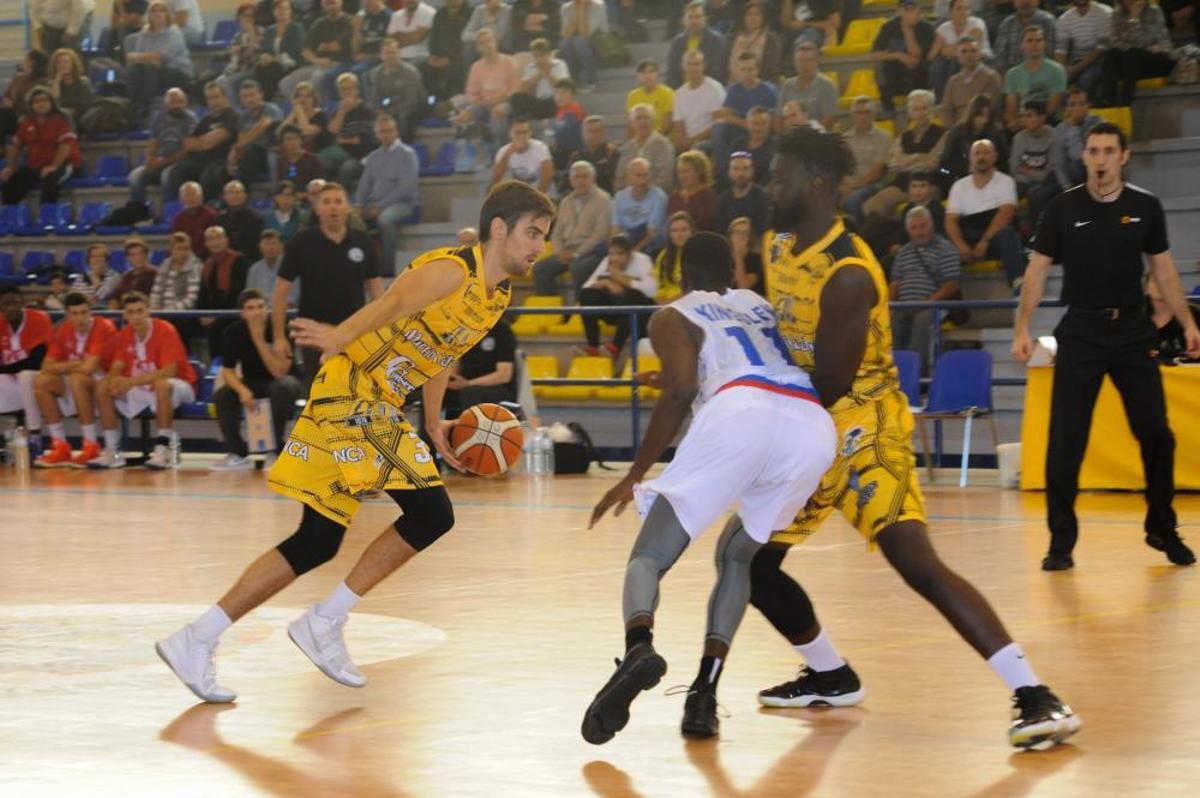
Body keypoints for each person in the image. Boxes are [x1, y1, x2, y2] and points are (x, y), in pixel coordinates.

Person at [736, 127, 1080, 751]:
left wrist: (744, 410)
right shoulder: (777, 241)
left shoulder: (849, 272)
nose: (770, 186)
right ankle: (830, 674)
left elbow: (831, 383)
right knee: (748, 561)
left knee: (916, 563)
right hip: (807, 422)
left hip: (863, 425)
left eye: (780, 177)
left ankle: (1036, 694)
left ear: (817, 183)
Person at [155, 181, 555, 703]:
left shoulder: (496, 296)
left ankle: (196, 638)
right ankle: (325, 620)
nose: (540, 246)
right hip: (355, 389)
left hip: (374, 400)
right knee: (432, 514)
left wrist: (435, 421)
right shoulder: (453, 270)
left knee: (317, 540)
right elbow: (391, 303)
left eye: (544, 236)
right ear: (499, 228)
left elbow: (441, 353)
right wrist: (340, 336)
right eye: (533, 233)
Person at [582, 231, 837, 743]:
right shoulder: (759, 304)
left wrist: (633, 474)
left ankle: (638, 648)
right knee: (738, 558)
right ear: (734, 272)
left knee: (649, 557)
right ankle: (704, 695)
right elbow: (746, 364)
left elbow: (682, 391)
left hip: (740, 413)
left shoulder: (673, 314)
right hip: (809, 425)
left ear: (681, 273)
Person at [1012, 121, 1200, 570]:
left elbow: (1164, 271)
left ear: (1123, 156)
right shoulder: (1062, 207)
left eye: (1108, 151)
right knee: (1066, 439)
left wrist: (1188, 323)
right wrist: (1021, 327)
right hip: (1081, 330)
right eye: (1093, 151)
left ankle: (1162, 527)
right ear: (1085, 157)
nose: (1100, 159)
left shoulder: (1145, 206)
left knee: (1156, 433)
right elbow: (1037, 272)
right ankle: (1061, 542)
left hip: (1133, 331)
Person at [273, 182, 386, 385]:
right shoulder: (301, 242)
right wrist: (279, 336)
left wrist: (382, 330)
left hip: (354, 333)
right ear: (317, 209)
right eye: (326, 202)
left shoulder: (363, 242)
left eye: (338, 201)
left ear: (348, 207)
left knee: (354, 391)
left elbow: (377, 289)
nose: (333, 207)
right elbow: (281, 291)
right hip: (313, 334)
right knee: (319, 392)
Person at [90, 291, 197, 470]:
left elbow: (169, 372)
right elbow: (117, 365)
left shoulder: (165, 329)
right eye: (131, 312)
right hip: (143, 385)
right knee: (103, 386)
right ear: (125, 315)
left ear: (148, 311)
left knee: (162, 384)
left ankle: (162, 450)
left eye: (140, 311)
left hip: (180, 384)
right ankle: (113, 452)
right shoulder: (125, 334)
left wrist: (129, 382)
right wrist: (114, 381)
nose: (136, 317)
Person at [210, 289, 304, 471]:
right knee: (223, 395)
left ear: (267, 309)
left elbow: (280, 372)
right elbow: (228, 371)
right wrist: (242, 390)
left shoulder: (280, 330)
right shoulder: (233, 332)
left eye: (261, 306)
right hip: (252, 381)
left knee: (280, 387)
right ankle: (237, 454)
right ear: (243, 313)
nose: (257, 312)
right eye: (251, 308)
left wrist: (259, 340)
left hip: (287, 382)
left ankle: (275, 451)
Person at [30, 292, 118, 469]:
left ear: (90, 312)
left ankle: (91, 444)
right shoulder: (64, 329)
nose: (80, 318)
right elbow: (46, 366)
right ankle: (60, 445)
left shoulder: (103, 326)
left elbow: (90, 368)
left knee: (77, 379)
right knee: (41, 381)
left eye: (84, 312)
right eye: (75, 314)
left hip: (103, 381)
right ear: (67, 315)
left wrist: (66, 366)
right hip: (74, 379)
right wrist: (77, 363)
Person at [889, 206, 962, 375]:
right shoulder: (903, 253)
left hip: (935, 305)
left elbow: (952, 284)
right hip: (904, 305)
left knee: (922, 322)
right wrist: (890, 306)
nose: (919, 232)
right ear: (908, 231)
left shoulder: (947, 249)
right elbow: (895, 283)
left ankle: (917, 378)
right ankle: (895, 375)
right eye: (914, 228)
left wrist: (928, 301)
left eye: (922, 226)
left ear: (932, 225)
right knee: (892, 323)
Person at [945, 138, 1026, 288]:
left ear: (994, 157)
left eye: (986, 153)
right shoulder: (959, 186)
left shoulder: (1005, 181)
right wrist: (961, 246)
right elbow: (950, 221)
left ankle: (1018, 284)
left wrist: (984, 241)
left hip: (993, 238)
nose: (981, 157)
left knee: (1007, 234)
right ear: (970, 158)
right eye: (977, 153)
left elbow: (1006, 213)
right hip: (967, 238)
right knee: (943, 245)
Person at [860, 89, 946, 221]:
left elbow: (934, 162)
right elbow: (893, 164)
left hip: (930, 183)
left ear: (933, 110)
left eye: (924, 108)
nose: (920, 113)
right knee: (870, 206)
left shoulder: (943, 133)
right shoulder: (903, 136)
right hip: (902, 184)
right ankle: (891, 230)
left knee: (916, 210)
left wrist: (906, 160)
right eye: (916, 109)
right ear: (910, 112)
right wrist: (919, 157)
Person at [535, 160, 611, 297]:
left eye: (585, 176)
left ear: (593, 178)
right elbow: (556, 233)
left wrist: (577, 254)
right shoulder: (566, 202)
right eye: (577, 177)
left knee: (577, 268)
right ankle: (550, 308)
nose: (580, 181)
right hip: (566, 252)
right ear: (571, 180)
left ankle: (580, 306)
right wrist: (560, 252)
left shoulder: (604, 200)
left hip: (591, 252)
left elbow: (600, 234)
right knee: (540, 268)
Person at [356, 113, 420, 275]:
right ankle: (361, 269)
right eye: (382, 131)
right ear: (377, 134)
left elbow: (405, 188)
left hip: (402, 203)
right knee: (350, 219)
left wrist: (380, 206)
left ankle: (387, 270)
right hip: (373, 203)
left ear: (396, 132)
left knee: (385, 220)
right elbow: (364, 184)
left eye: (389, 130)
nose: (386, 134)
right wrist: (359, 205)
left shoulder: (407, 154)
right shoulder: (373, 157)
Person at [578, 234, 658, 358]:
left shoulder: (643, 260)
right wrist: (607, 282)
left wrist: (621, 279)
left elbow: (652, 290)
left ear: (630, 254)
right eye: (612, 254)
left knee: (633, 296)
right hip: (614, 309)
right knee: (587, 295)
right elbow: (587, 286)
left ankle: (615, 347)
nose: (615, 258)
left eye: (620, 254)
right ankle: (593, 346)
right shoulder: (607, 261)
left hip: (638, 312)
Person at [0, 87, 81, 206]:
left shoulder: (61, 119)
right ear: (31, 105)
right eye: (36, 101)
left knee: (51, 177)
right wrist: (10, 167)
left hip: (66, 164)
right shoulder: (27, 122)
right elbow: (16, 146)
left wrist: (54, 166)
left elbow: (65, 145)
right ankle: (7, 211)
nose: (41, 104)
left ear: (51, 103)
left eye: (44, 100)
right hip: (37, 165)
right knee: (12, 179)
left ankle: (47, 213)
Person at [0, 286, 54, 452]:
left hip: (37, 376)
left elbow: (37, 361)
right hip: (9, 377)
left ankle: (35, 436)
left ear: (22, 302)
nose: (11, 308)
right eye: (6, 304)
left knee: (25, 376)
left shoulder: (38, 318)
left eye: (15, 303)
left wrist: (4, 369)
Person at [165, 82, 239, 203]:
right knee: (176, 172)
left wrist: (201, 143)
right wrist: (204, 142)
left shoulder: (233, 117)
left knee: (209, 174)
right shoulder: (206, 120)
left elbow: (214, 140)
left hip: (222, 160)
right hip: (202, 160)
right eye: (209, 98)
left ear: (225, 97)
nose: (213, 102)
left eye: (216, 97)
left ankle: (205, 207)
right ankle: (181, 207)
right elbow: (188, 144)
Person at [128, 88, 195, 212]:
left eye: (180, 101)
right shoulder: (158, 119)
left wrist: (161, 162)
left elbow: (186, 152)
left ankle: (169, 214)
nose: (177, 105)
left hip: (180, 165)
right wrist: (149, 159)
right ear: (166, 103)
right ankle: (140, 215)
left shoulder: (191, 120)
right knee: (134, 177)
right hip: (160, 162)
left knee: (167, 176)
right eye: (173, 101)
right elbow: (152, 143)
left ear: (185, 103)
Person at [1100, 0, 1174, 109]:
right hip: (1128, 61)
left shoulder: (1153, 11)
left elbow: (1144, 42)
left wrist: (1133, 20)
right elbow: (1113, 42)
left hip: (1156, 60)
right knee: (1111, 55)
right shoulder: (1117, 14)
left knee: (1132, 53)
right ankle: (1109, 101)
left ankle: (1125, 102)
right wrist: (1129, 44)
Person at [711, 52, 777, 172]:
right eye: (743, 70)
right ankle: (723, 172)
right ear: (738, 71)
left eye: (750, 70)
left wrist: (736, 120)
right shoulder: (734, 89)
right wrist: (742, 122)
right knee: (719, 127)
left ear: (757, 70)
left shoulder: (768, 90)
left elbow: (769, 124)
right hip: (740, 132)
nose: (747, 74)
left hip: (760, 132)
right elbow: (722, 115)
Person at [278, 0, 355, 102]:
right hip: (318, 64)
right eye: (327, 3)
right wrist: (316, 60)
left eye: (333, 3)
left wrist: (322, 47)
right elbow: (305, 49)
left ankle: (316, 108)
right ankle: (301, 106)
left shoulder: (350, 21)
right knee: (285, 83)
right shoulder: (319, 23)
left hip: (340, 63)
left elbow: (336, 46)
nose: (330, 6)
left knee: (316, 79)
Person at [124, 0, 195, 110]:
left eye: (162, 11)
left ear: (167, 14)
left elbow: (161, 57)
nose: (157, 13)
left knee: (150, 68)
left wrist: (140, 57)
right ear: (149, 15)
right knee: (135, 68)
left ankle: (145, 105)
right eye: (153, 11)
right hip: (154, 69)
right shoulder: (144, 34)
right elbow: (134, 59)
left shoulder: (174, 32)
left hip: (178, 72)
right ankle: (134, 104)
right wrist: (146, 58)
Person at [870, 0, 936, 115]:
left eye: (914, 9)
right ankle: (888, 109)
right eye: (907, 9)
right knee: (880, 67)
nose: (912, 13)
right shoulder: (888, 27)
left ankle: (916, 110)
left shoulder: (926, 28)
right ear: (899, 11)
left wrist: (907, 29)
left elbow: (915, 57)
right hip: (895, 76)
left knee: (913, 67)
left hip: (920, 76)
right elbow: (873, 55)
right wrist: (898, 55)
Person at [199, 225, 251, 360]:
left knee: (217, 328)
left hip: (233, 310)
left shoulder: (238, 261)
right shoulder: (208, 264)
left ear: (226, 240)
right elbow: (202, 293)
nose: (215, 242)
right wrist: (201, 314)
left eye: (218, 238)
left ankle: (222, 365)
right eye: (211, 239)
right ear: (206, 243)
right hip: (212, 313)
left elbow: (237, 294)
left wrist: (215, 316)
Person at [444, 318, 518, 411]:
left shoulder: (501, 329)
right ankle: (433, 421)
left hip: (498, 388)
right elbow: (456, 362)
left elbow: (504, 375)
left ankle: (471, 420)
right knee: (435, 389)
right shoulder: (462, 329)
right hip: (465, 384)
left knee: (471, 392)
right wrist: (450, 379)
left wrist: (468, 383)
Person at [1003, 25, 1068, 131]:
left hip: (1049, 123)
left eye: (1039, 40)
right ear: (1021, 45)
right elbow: (1012, 108)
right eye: (1030, 41)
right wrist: (1019, 121)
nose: (1034, 44)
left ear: (1044, 44)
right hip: (1022, 123)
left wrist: (1034, 122)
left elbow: (1053, 106)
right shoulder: (1012, 74)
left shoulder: (1057, 70)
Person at [840, 97, 893, 223]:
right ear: (852, 116)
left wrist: (853, 187)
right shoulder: (844, 139)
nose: (862, 117)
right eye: (858, 113)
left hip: (872, 185)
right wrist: (842, 187)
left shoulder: (883, 137)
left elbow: (877, 172)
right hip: (847, 185)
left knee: (852, 201)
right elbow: (838, 168)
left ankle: (863, 233)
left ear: (874, 115)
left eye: (867, 113)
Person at [928, 0, 992, 97]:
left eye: (966, 9)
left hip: (981, 58)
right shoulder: (943, 28)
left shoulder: (977, 23)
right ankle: (941, 99)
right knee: (937, 65)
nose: (963, 12)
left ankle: (955, 97)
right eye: (959, 8)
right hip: (953, 60)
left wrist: (946, 49)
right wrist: (942, 49)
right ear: (950, 12)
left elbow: (968, 48)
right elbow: (931, 56)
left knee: (956, 62)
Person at [1010, 99, 1059, 221]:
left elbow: (1049, 171)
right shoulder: (1019, 138)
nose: (1024, 120)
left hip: (1046, 182)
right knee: (1008, 193)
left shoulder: (1053, 136)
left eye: (1029, 116)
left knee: (1035, 195)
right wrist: (1034, 174)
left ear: (1042, 118)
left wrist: (1025, 170)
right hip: (1022, 181)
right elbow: (1014, 167)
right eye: (1023, 116)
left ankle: (1035, 230)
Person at [369, 38, 426, 141]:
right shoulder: (376, 73)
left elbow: (411, 101)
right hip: (392, 105)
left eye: (393, 53)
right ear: (381, 55)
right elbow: (375, 98)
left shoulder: (411, 72)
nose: (391, 56)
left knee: (404, 115)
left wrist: (388, 112)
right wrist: (377, 111)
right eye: (387, 53)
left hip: (416, 106)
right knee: (370, 115)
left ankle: (405, 144)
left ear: (399, 53)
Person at [1054, 0, 1111, 101]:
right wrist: (1061, 70)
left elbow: (1101, 48)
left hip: (1099, 61)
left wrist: (1076, 68)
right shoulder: (1065, 18)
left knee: (1085, 80)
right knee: (1055, 80)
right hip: (1074, 61)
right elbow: (1060, 48)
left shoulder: (1104, 13)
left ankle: (1088, 109)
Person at [939, 36, 1002, 127]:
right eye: (964, 51)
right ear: (957, 55)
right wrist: (953, 130)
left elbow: (992, 109)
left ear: (980, 54)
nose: (969, 55)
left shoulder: (991, 77)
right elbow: (945, 109)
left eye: (973, 51)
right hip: (956, 129)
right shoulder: (953, 81)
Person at [611, 158, 669, 257]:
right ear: (629, 177)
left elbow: (651, 234)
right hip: (624, 242)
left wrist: (631, 254)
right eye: (638, 175)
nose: (643, 180)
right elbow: (615, 229)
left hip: (646, 244)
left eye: (646, 175)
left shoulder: (659, 197)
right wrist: (616, 252)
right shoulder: (619, 197)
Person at [670, 51, 725, 155]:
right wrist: (682, 143)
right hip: (686, 143)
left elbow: (719, 122)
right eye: (689, 64)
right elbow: (678, 126)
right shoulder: (679, 93)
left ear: (703, 66)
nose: (693, 68)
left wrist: (692, 141)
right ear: (683, 67)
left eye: (696, 64)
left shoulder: (714, 89)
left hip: (708, 141)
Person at [227, 80, 282, 184]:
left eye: (252, 95)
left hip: (271, 151)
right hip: (252, 155)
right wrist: (233, 156)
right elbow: (241, 142)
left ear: (261, 94)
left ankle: (243, 187)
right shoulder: (243, 117)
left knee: (252, 150)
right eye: (245, 96)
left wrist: (235, 147)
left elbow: (261, 127)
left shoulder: (271, 109)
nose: (249, 99)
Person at [776, 43, 837, 134]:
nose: (803, 65)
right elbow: (778, 118)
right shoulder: (787, 86)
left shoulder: (827, 86)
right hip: (790, 137)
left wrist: (809, 137)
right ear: (794, 63)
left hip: (817, 137)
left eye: (808, 60)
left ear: (817, 62)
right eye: (799, 61)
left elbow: (830, 119)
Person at [1049, 86, 1100, 192]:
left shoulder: (1098, 124)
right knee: (1037, 194)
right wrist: (1067, 187)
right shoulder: (1060, 129)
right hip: (1069, 179)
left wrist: (1074, 127)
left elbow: (1078, 156)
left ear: (1089, 106)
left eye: (1082, 103)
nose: (1078, 108)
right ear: (1066, 109)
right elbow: (1058, 163)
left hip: (1096, 174)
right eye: (1073, 105)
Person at [666, 1, 728, 89]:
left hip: (710, 91)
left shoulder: (717, 41)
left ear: (705, 19)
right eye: (690, 17)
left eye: (698, 17)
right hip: (682, 92)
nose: (694, 21)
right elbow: (672, 74)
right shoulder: (676, 43)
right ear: (684, 20)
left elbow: (718, 73)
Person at [422, 0, 472, 102]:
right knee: (423, 67)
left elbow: (465, 41)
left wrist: (450, 58)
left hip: (459, 57)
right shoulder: (440, 14)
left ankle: (452, 102)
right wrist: (433, 56)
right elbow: (434, 37)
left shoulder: (470, 14)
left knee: (454, 70)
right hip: (439, 56)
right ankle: (435, 102)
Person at [255, 0, 305, 102]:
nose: (282, 11)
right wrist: (263, 57)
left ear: (290, 11)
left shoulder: (296, 28)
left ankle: (267, 101)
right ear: (274, 11)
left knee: (270, 70)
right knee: (259, 68)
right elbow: (264, 49)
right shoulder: (270, 30)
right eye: (279, 9)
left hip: (291, 64)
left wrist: (274, 59)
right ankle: (259, 100)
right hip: (273, 64)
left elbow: (294, 52)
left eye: (286, 9)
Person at [510, 38, 569, 120]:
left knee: (561, 98)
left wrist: (548, 75)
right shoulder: (530, 67)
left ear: (548, 54)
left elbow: (564, 87)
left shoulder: (560, 64)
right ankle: (522, 122)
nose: (538, 59)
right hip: (537, 102)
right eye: (535, 56)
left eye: (541, 55)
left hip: (554, 101)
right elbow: (523, 89)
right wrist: (539, 74)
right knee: (516, 97)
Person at [994, 0, 1058, 75]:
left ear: (1038, 1)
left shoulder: (1048, 21)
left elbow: (1051, 55)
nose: (1025, 2)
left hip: (1042, 75)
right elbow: (1000, 59)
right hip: (1012, 76)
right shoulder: (1006, 24)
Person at [491, 116, 554, 192]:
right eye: (518, 133)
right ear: (510, 134)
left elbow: (548, 176)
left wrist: (534, 196)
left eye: (525, 132)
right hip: (517, 192)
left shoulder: (541, 148)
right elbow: (495, 179)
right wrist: (509, 153)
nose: (522, 136)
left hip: (539, 192)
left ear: (530, 133)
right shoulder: (503, 151)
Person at [715, 151, 769, 237]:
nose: (740, 173)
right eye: (736, 169)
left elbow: (763, 231)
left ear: (752, 171)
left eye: (745, 168)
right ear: (729, 172)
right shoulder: (722, 200)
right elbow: (720, 232)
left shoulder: (763, 197)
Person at [149, 231, 203, 313]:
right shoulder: (165, 265)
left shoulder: (195, 267)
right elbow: (156, 291)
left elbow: (192, 298)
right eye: (179, 249)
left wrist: (168, 311)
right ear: (171, 249)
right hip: (162, 312)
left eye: (186, 249)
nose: (182, 253)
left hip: (184, 314)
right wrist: (154, 308)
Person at [730, 0, 782, 82]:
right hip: (732, 84)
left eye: (757, 14)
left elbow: (773, 70)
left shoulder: (771, 39)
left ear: (763, 17)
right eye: (749, 14)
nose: (753, 18)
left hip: (760, 84)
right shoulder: (732, 38)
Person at [247, 229, 300, 308]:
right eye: (266, 244)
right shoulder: (254, 269)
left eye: (274, 243)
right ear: (260, 247)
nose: (270, 248)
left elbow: (294, 297)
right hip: (260, 312)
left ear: (281, 246)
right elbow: (250, 296)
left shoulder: (292, 267)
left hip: (286, 312)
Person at [666, 150, 717, 232]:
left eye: (685, 171)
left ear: (699, 172)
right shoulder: (674, 198)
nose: (682, 176)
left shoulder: (707, 196)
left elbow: (705, 225)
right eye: (679, 172)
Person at [217, 180, 266, 264]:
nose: (234, 196)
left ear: (245, 195)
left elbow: (255, 245)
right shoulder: (220, 218)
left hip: (250, 261)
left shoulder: (256, 218)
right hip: (225, 261)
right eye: (230, 193)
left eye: (238, 192)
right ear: (224, 197)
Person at [569, 114, 620, 194]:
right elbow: (568, 181)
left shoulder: (613, 154)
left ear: (604, 132)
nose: (593, 135)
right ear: (583, 133)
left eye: (597, 130)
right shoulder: (576, 156)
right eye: (589, 131)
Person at [653, 211, 694, 304]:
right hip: (666, 305)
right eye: (675, 231)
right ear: (669, 234)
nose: (679, 234)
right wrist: (662, 305)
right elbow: (660, 288)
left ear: (692, 231)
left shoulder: (701, 253)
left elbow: (695, 290)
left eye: (684, 230)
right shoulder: (663, 255)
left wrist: (669, 304)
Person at [171, 181, 220, 259]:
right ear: (181, 199)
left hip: (207, 259)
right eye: (187, 195)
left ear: (202, 196)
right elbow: (176, 243)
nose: (191, 198)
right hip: (184, 259)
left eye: (194, 194)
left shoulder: (211, 215)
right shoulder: (178, 219)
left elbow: (216, 243)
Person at [627, 60, 674, 136]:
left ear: (657, 74)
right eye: (643, 73)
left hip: (662, 139)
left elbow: (668, 125)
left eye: (651, 72)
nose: (647, 76)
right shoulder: (633, 95)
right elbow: (631, 125)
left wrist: (651, 140)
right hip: (640, 140)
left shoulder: (668, 93)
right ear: (638, 76)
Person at [46, 47, 93, 123]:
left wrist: (69, 112)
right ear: (54, 65)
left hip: (80, 119)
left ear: (73, 64)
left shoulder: (83, 82)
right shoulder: (52, 83)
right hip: (58, 118)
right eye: (59, 62)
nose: (63, 65)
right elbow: (52, 103)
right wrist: (57, 82)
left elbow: (86, 105)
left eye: (66, 62)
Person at [110, 238, 160, 307]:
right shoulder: (126, 276)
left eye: (140, 254)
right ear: (128, 258)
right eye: (133, 255)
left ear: (146, 255)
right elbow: (115, 297)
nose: (137, 258)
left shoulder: (155, 274)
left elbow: (156, 300)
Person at [387, 0, 436, 64]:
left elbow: (417, 37)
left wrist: (398, 35)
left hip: (420, 56)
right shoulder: (396, 15)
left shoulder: (429, 12)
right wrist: (412, 35)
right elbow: (390, 39)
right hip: (397, 57)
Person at [727, 216, 763, 293]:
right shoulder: (723, 256)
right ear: (730, 236)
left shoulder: (756, 259)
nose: (741, 237)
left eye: (745, 233)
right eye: (737, 232)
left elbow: (743, 288)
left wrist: (738, 257)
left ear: (750, 237)